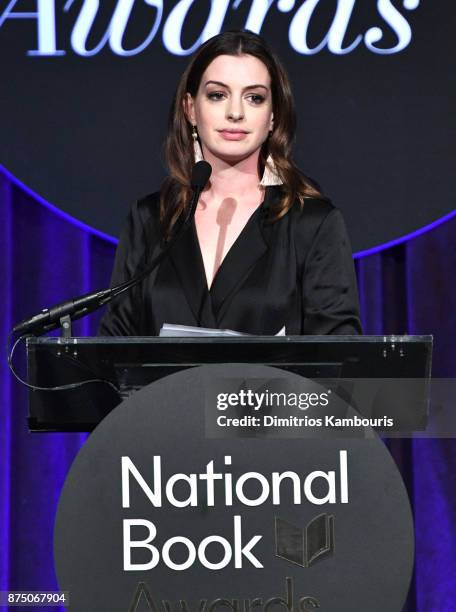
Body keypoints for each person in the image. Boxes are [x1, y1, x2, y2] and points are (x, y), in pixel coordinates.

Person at [98, 30, 362, 337]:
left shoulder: (312, 223)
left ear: (273, 115)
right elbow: (115, 344)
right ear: (190, 109)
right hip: (163, 388)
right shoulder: (150, 219)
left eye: (254, 98)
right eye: (217, 95)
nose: (235, 113)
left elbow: (339, 353)